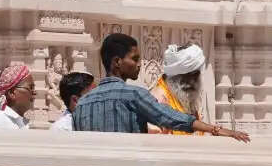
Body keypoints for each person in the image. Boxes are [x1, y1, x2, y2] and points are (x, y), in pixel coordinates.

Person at [73, 32, 250, 138]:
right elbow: (170, 118)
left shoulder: (81, 104)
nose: (139, 64)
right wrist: (216, 130)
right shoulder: (134, 95)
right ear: (117, 62)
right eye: (134, 59)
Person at [153, 43, 209, 133]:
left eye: (196, 76)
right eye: (187, 76)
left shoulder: (185, 97)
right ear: (174, 77)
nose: (192, 82)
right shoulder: (159, 99)